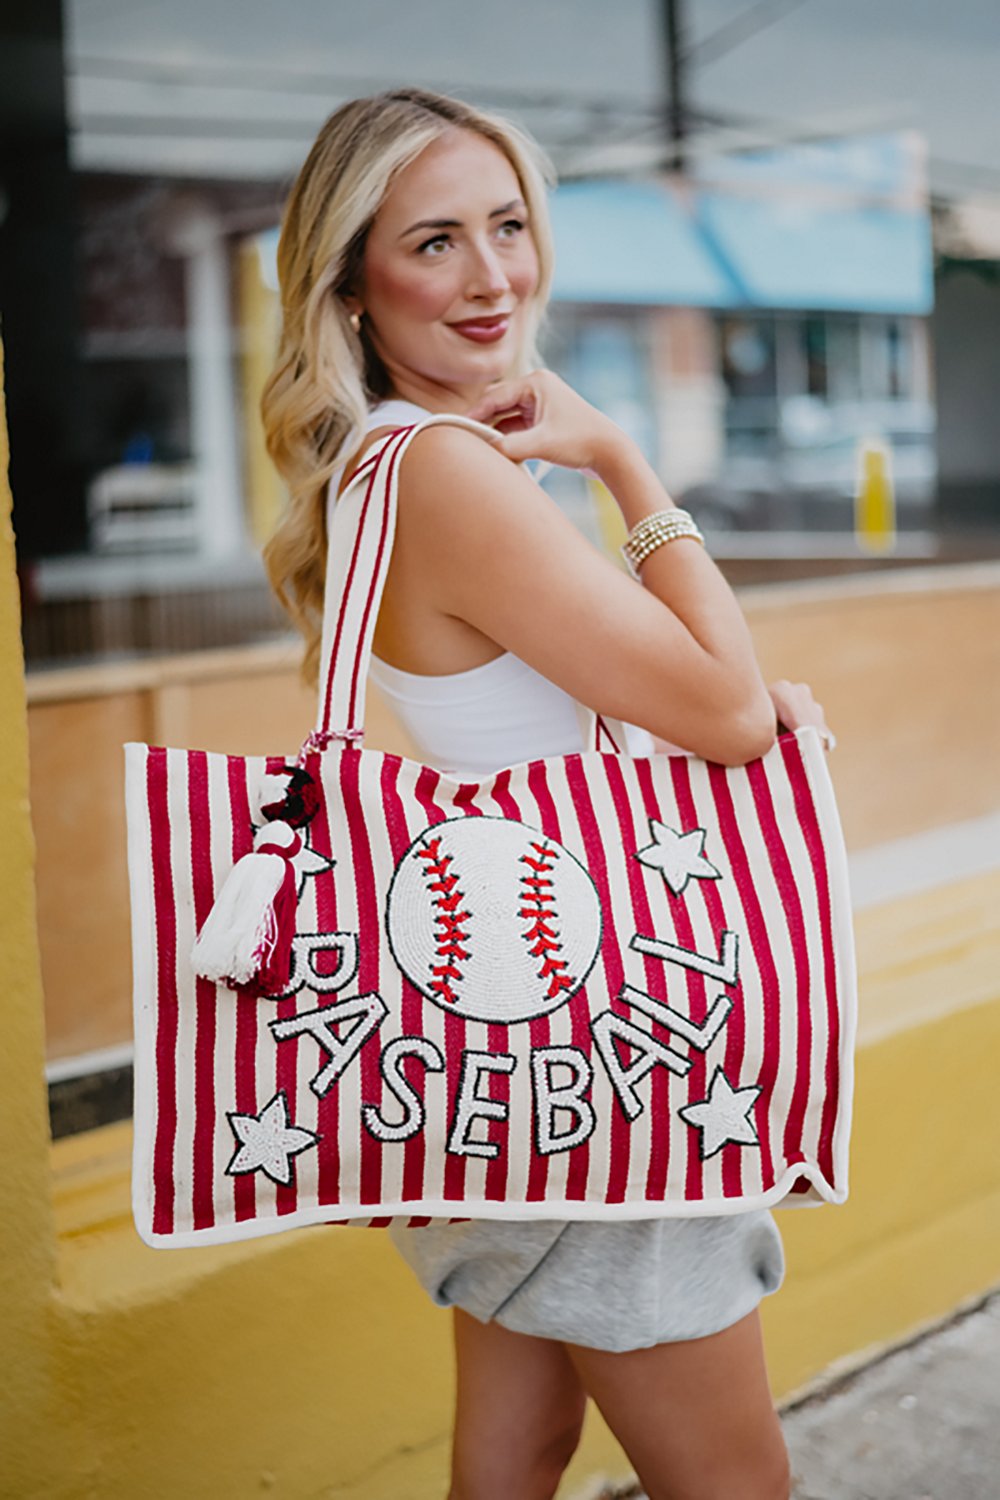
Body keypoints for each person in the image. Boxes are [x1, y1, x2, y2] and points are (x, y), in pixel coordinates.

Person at [262, 85, 830, 1500]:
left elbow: (641, 713)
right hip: (596, 1050)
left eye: (507, 227)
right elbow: (721, 712)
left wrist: (716, 707)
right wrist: (625, 460)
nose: (493, 274)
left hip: (499, 1045)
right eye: (434, 242)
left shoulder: (377, 470)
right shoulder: (451, 474)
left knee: (514, 1458)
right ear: (351, 285)